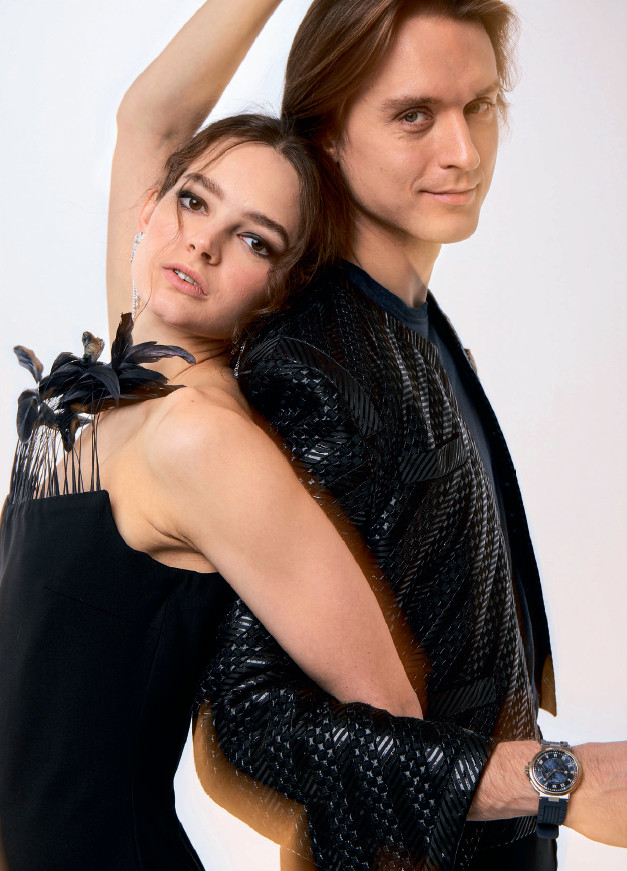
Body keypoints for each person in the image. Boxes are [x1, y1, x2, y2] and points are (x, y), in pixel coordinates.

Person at [105, 0, 627, 869]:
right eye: (413, 115)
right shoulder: (308, 367)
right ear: (326, 137)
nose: (462, 152)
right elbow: (255, 727)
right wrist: (557, 780)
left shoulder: (412, 318)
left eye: (478, 106)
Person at [0, 70, 436, 871]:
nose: (202, 241)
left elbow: (390, 713)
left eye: (254, 240)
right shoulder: (128, 386)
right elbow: (148, 118)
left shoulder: (202, 437)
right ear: (149, 207)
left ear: (278, 290)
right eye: (194, 201)